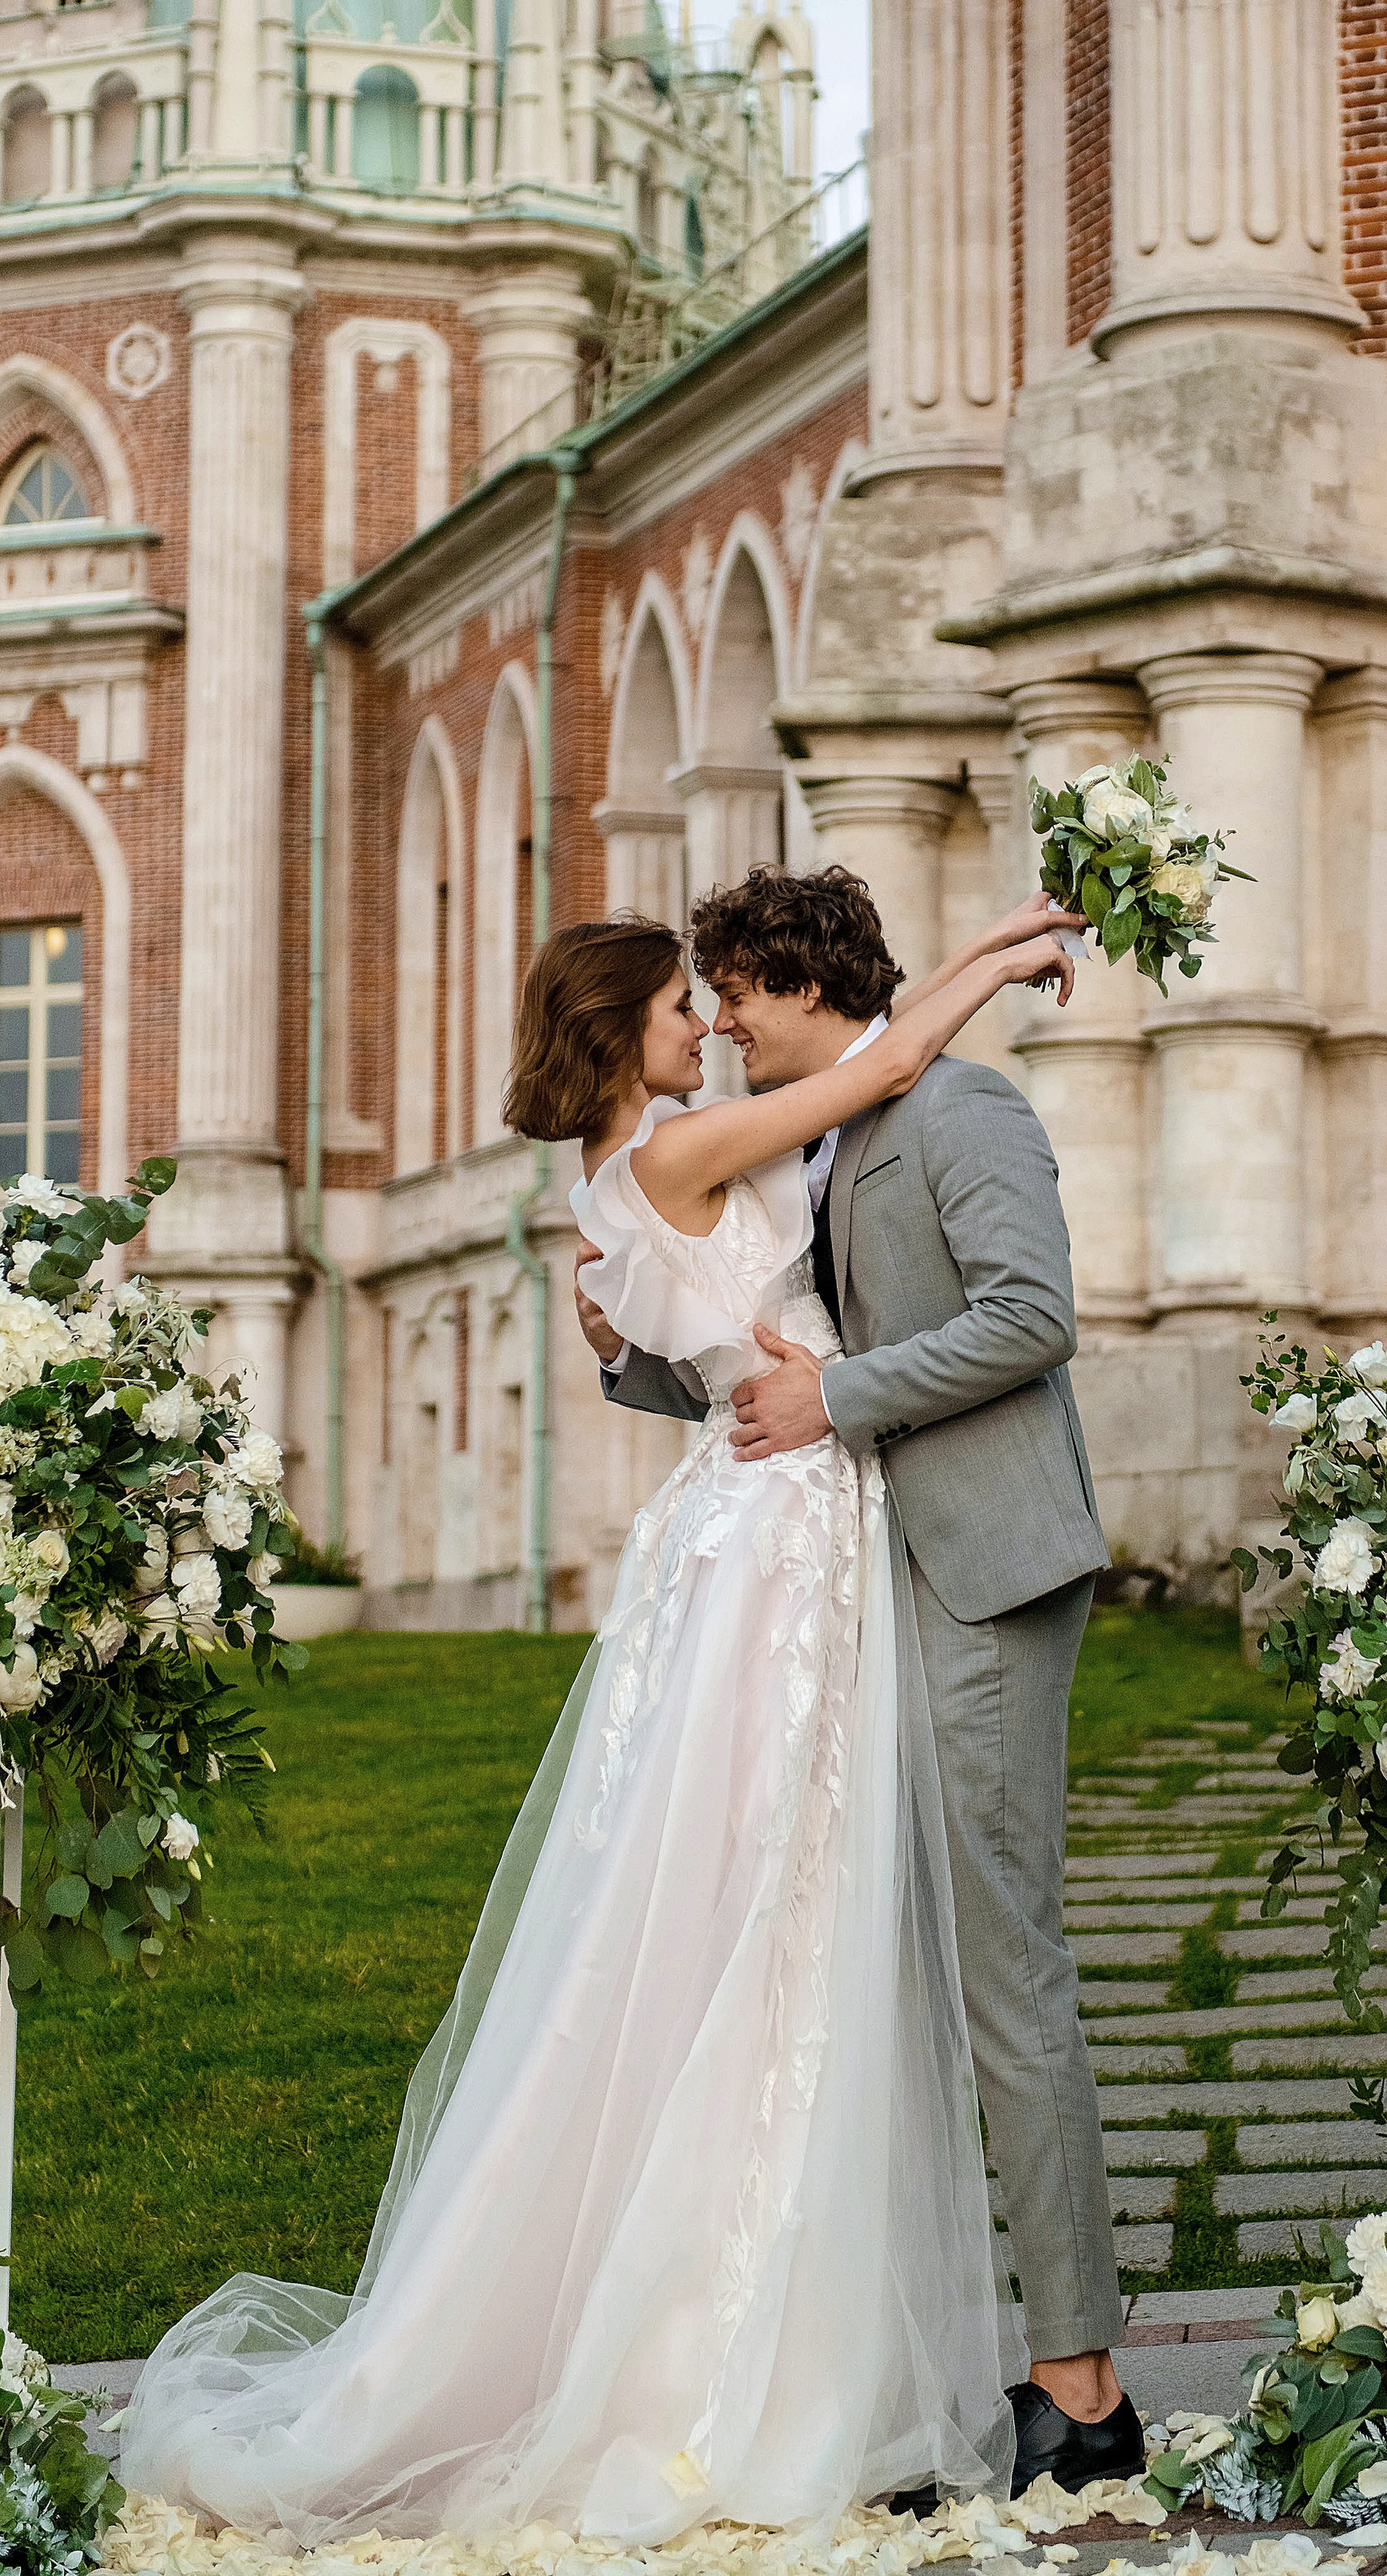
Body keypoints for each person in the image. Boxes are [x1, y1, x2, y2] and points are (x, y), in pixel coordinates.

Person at [119, 891, 1080, 2550]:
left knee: (765, 1913)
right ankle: (752, 2351)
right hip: (785, 1534)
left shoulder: (623, 1177)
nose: (704, 1020)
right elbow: (884, 1059)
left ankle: (829, 2332)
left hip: (782, 1516)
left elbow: (826, 1178)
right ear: (626, 1022)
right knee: (768, 1912)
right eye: (681, 1004)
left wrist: (977, 956)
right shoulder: (681, 1150)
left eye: (721, 996)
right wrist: (989, 954)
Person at [584, 865, 1138, 2503]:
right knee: (860, 1974)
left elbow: (1031, 1318)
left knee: (1000, 1969)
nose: (721, 1019)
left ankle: (1079, 2379)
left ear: (787, 974)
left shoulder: (961, 1109)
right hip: (845, 1591)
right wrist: (641, 1348)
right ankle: (875, 2366)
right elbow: (768, 1351)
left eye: (731, 989)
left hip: (980, 1570)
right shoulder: (811, 1131)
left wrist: (844, 1401)